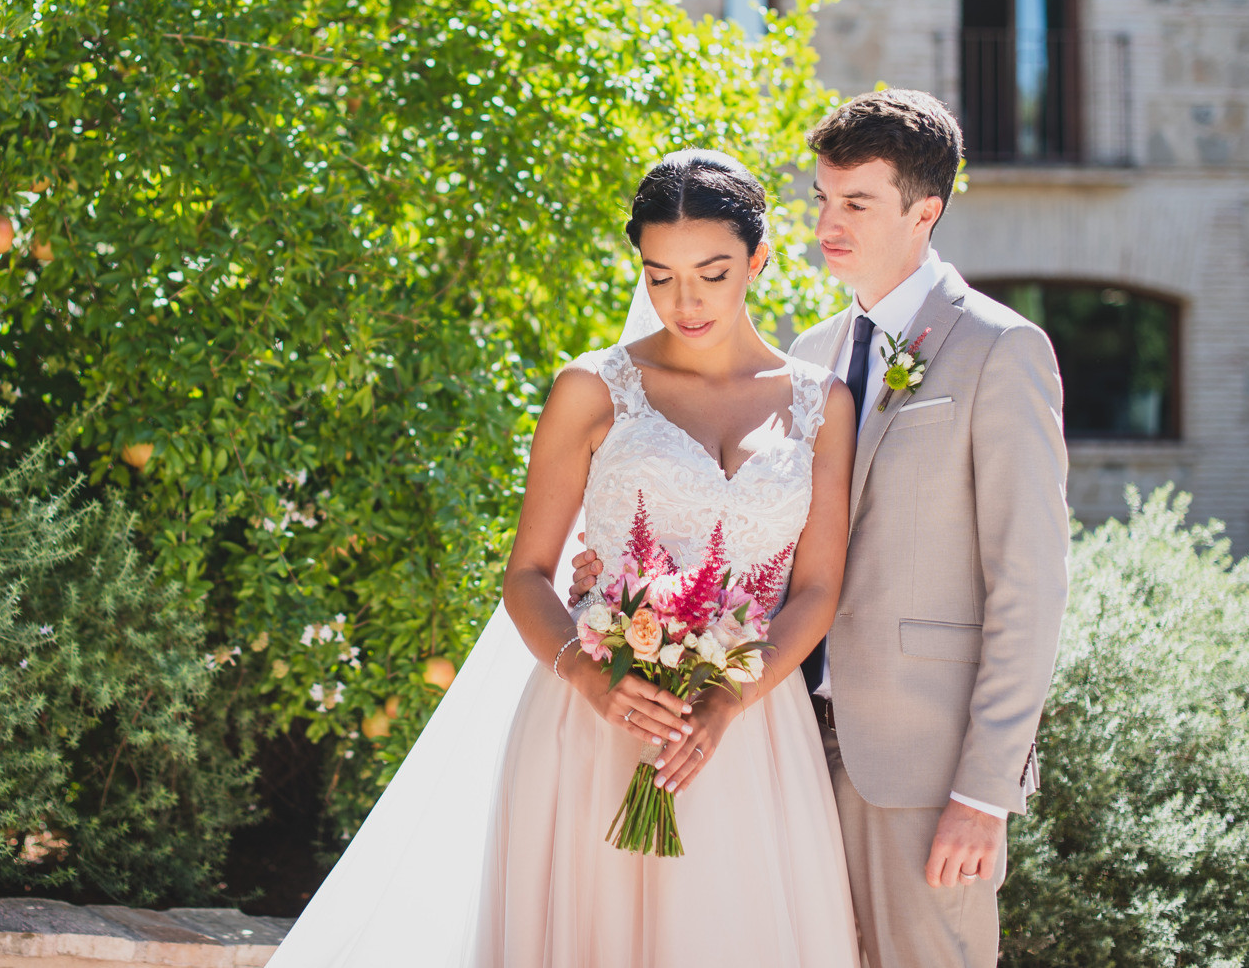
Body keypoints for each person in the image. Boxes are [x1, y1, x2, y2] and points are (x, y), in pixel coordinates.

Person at [269, 149, 862, 968]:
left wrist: (730, 699)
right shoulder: (591, 387)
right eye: (660, 276)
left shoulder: (822, 401)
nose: (685, 301)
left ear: (758, 260)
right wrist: (591, 677)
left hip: (748, 729)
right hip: (593, 723)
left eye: (712, 273)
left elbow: (818, 588)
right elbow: (526, 576)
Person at [571, 89, 1071, 968]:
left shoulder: (1001, 349)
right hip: (783, 748)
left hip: (921, 770)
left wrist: (984, 791)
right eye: (823, 197)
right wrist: (622, 581)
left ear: (925, 211)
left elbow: (1030, 588)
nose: (828, 224)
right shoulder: (811, 353)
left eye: (857, 203)